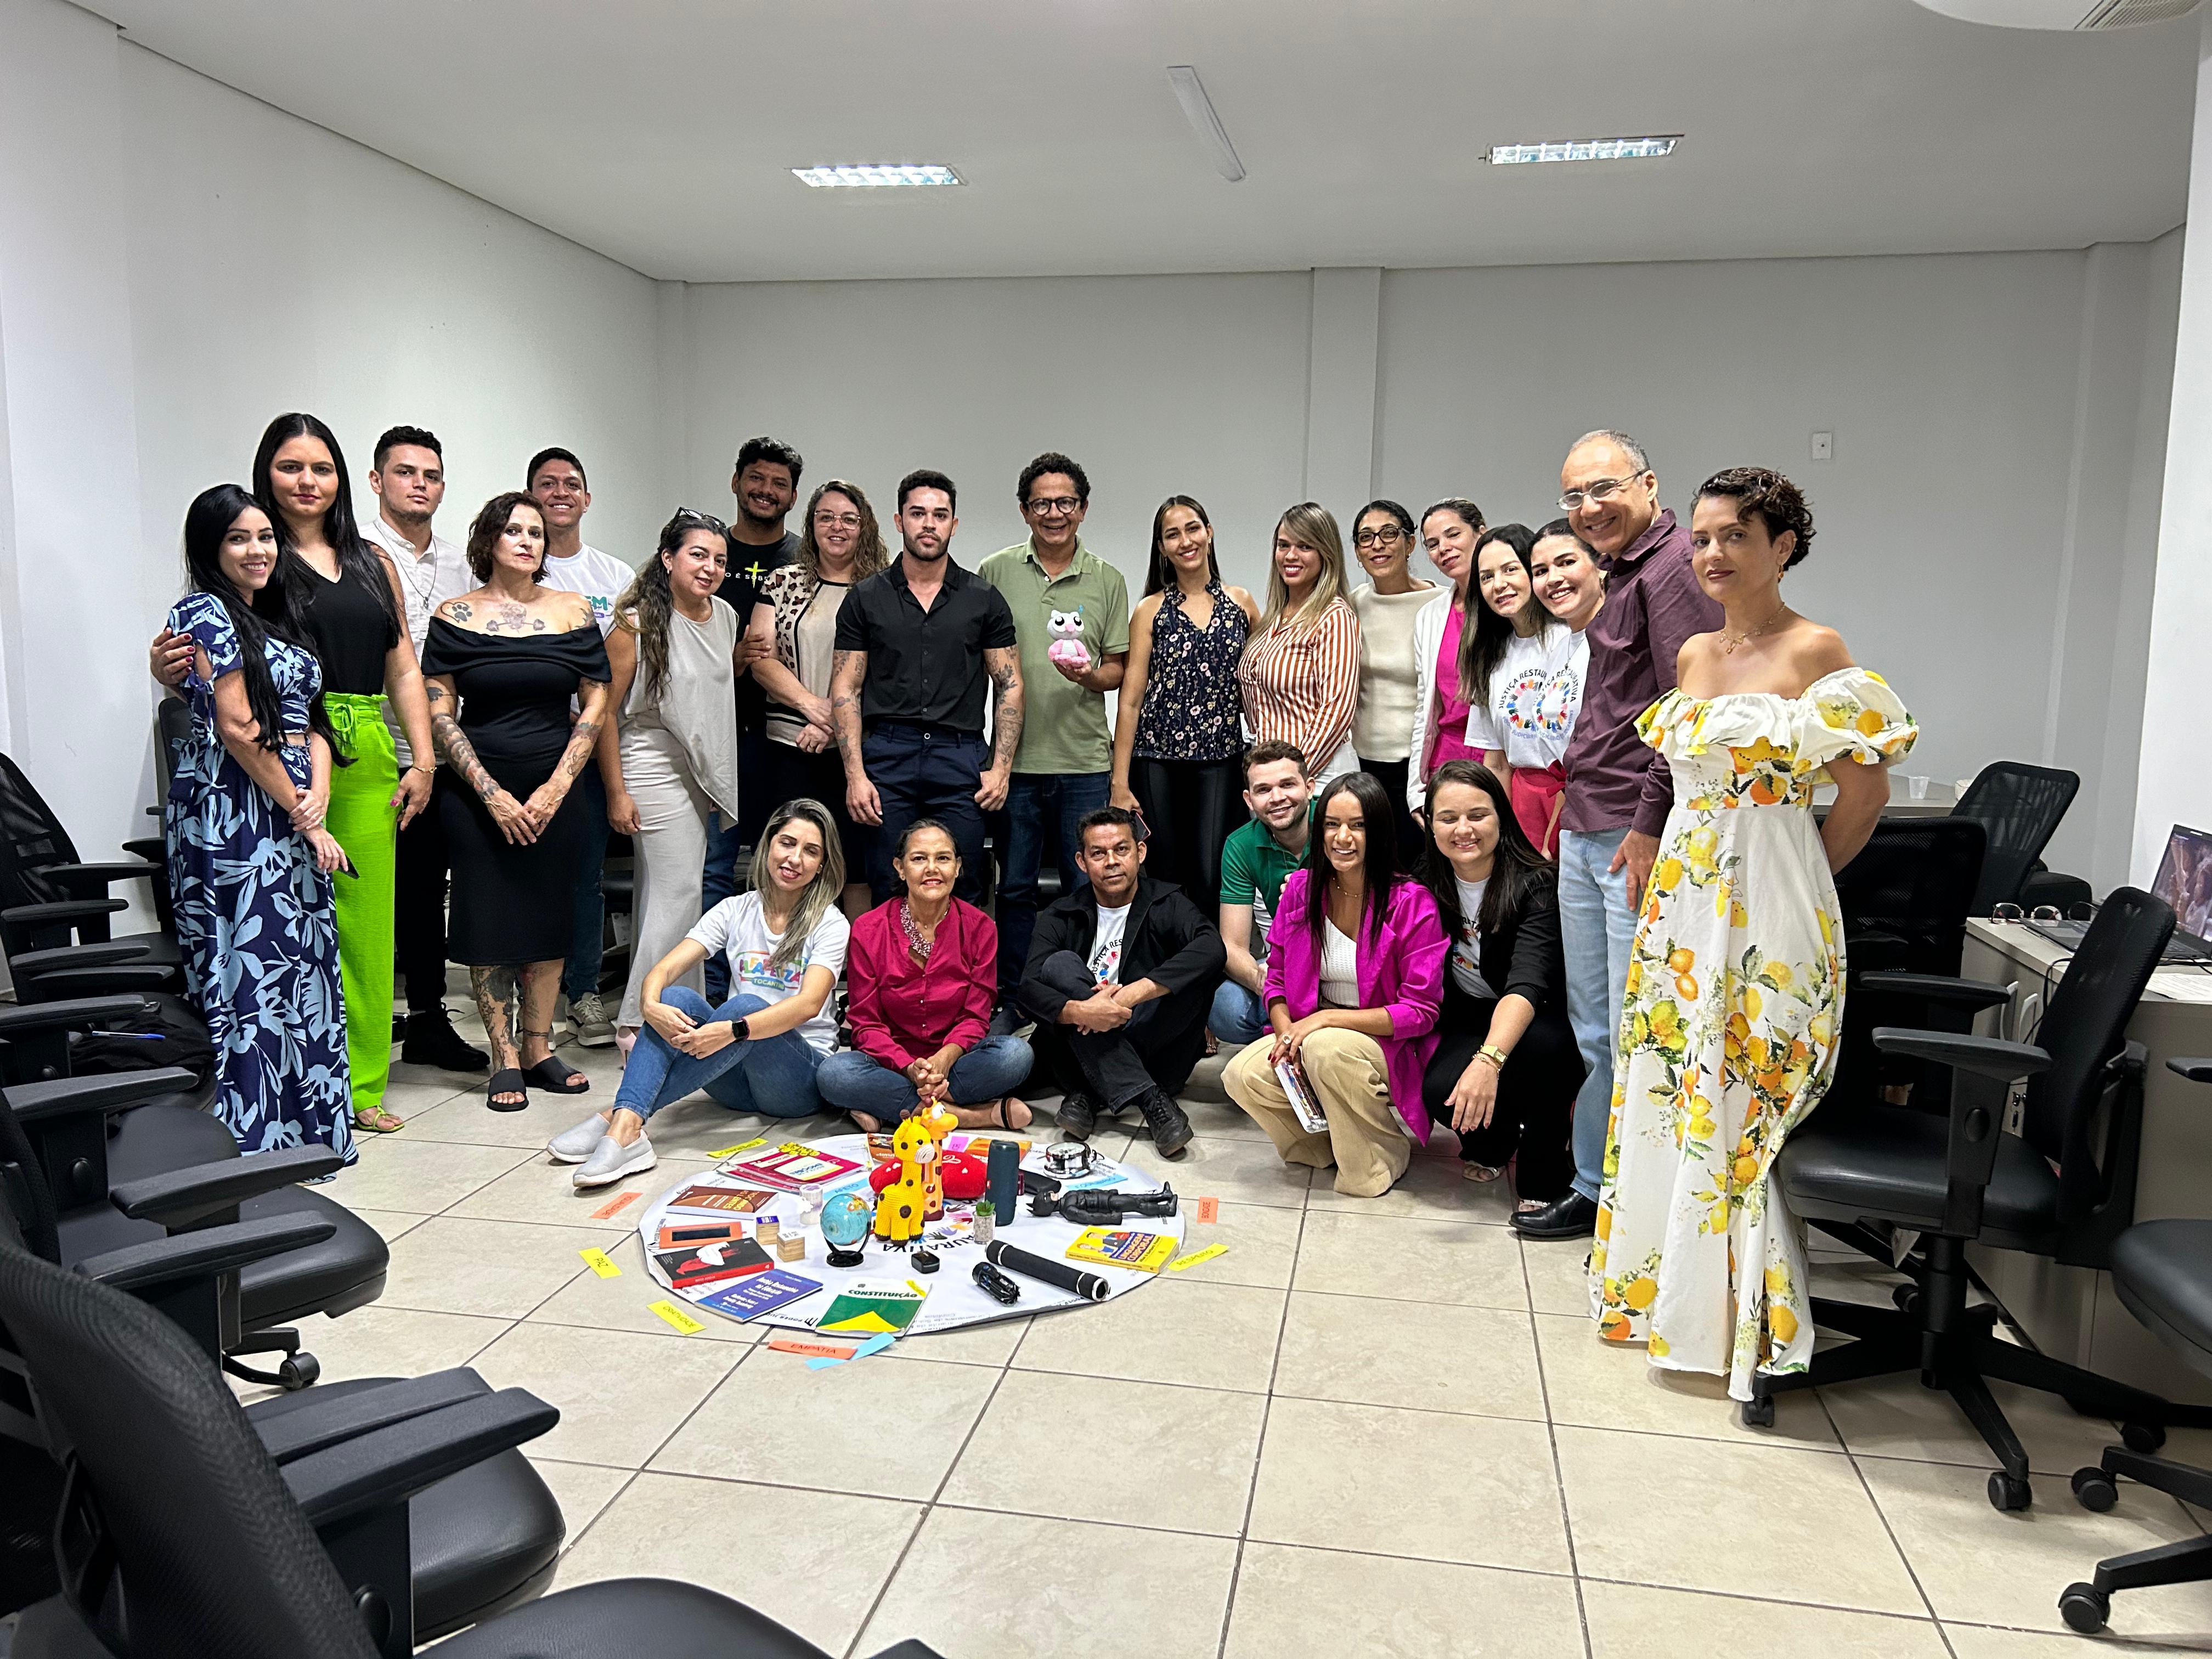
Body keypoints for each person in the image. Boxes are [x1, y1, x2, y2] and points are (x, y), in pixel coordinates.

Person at [1590, 467, 1915, 1402]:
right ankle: (1668, 1300)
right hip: (1683, 908)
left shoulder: (1818, 649)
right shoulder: (1691, 654)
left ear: (1783, 546)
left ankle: (1738, 1315)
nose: (1711, 553)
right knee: (1666, 1082)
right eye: (1700, 537)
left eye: (1735, 535)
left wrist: (1794, 884)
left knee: (1743, 1097)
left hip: (1771, 907)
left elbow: (1863, 797)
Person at [153, 414, 438, 1137]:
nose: (307, 482)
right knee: (294, 930)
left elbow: (402, 662)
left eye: (321, 467)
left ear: (341, 478)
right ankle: (311, 1090)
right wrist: (164, 669)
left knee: (367, 930)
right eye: (290, 467)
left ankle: (364, 1083)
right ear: (264, 475)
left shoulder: (371, 560)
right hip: (275, 754)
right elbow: (215, 680)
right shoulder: (252, 560)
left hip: (362, 743)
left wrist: (424, 755)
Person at [1517, 430, 1723, 1242]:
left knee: (1634, 1030)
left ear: (1648, 485)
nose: (1588, 508)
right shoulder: (1626, 570)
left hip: (1632, 836)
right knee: (1597, 1028)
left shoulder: (1672, 573)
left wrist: (1647, 826)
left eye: (1603, 489)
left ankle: (1626, 1204)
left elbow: (1687, 712)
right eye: (1573, 497)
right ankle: (1598, 1187)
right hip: (1590, 820)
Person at [162, 485, 356, 1164]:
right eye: (239, 539)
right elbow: (241, 728)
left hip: (294, 815)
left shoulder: (280, 615)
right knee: (251, 976)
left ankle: (308, 1135)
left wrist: (318, 795)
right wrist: (305, 817)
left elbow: (313, 721)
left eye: (266, 537)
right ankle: (252, 1147)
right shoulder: (202, 614)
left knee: (300, 971)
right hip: (236, 820)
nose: (257, 550)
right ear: (211, 551)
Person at [420, 492, 612, 1111]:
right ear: (489, 543)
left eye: (535, 532)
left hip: (559, 786)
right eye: (513, 531)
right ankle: (503, 1054)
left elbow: (597, 701)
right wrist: (492, 793)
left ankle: (539, 1045)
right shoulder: (456, 615)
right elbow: (439, 708)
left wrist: (558, 787)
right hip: (479, 791)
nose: (528, 541)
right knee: (492, 918)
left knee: (551, 914)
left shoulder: (574, 611)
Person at [550, 800, 851, 1188]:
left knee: (741, 1007)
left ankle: (619, 1120)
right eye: (787, 843)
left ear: (823, 866)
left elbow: (809, 1005)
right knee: (673, 997)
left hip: (795, 1081)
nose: (794, 858)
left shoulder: (830, 921)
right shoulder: (735, 909)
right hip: (732, 1080)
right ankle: (628, 1126)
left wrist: (734, 1030)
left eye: (811, 852)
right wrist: (649, 1003)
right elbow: (663, 970)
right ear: (768, 846)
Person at [1222, 771, 1447, 1197]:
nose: (1342, 837)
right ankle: (1323, 1146)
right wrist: (1285, 1027)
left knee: (1327, 1050)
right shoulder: (1304, 889)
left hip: (1388, 1041)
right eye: (1331, 824)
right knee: (1244, 1074)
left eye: (1358, 825)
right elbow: (1278, 977)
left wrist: (1324, 1020)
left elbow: (1420, 1012)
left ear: (1379, 831)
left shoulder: (1412, 901)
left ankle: (1381, 1153)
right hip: (1314, 1032)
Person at [979, 453, 1131, 1032]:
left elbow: (1119, 668)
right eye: (1041, 503)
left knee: (1085, 887)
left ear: (1083, 509)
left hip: (1085, 762)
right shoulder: (994, 572)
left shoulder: (1107, 579)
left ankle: (1082, 1002)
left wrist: (1090, 676)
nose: (1054, 513)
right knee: (1014, 888)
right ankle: (1018, 997)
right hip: (1014, 765)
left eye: (1065, 502)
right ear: (1024, 510)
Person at [830, 469, 1023, 905]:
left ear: (954, 524)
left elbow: (1010, 685)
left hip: (960, 758)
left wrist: (1001, 768)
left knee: (966, 881)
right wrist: (855, 775)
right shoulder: (866, 597)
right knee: (889, 881)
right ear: (900, 521)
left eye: (940, 515)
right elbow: (845, 687)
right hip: (886, 758)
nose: (929, 524)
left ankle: (957, 976)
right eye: (918, 513)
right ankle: (895, 975)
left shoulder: (983, 598)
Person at [362, 425, 487, 1072]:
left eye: (431, 476)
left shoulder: (462, 566)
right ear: (378, 481)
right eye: (406, 473)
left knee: (422, 886)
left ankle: (430, 1019)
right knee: (362, 892)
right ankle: (361, 1019)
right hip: (362, 750)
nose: (420, 485)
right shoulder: (352, 556)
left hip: (438, 751)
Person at [596, 510, 745, 1047]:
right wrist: (616, 792)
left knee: (663, 895)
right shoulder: (635, 621)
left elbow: (708, 696)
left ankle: (679, 1011)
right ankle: (638, 1021)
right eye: (698, 555)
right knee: (681, 891)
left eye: (720, 559)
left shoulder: (725, 615)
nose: (710, 568)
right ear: (668, 558)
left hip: (699, 770)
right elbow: (606, 714)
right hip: (650, 764)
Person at [1417, 763, 1584, 1209]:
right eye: (1448, 818)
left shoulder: (1536, 883)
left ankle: (1545, 1170)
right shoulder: (1424, 884)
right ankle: (1497, 1140)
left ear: (1501, 817)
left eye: (1478, 815)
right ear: (1429, 824)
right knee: (1443, 1093)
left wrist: (1488, 1062)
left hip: (1538, 1018)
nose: (1463, 829)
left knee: (1543, 1053)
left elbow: (1527, 984)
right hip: (1470, 1015)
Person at [1019, 807, 1226, 1155]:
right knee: (1059, 965)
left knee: (1192, 977)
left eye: (1122, 850)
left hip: (1157, 1050)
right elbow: (1028, 987)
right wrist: (1081, 1012)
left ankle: (1091, 1091)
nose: (1111, 861)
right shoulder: (1062, 913)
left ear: (1140, 852)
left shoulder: (1168, 902)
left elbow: (1211, 948)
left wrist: (1131, 995)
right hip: (1082, 1052)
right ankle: (1149, 1099)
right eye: (1098, 853)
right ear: (1082, 862)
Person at [816, 820, 1034, 1132]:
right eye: (919, 858)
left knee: (1016, 1055)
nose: (932, 868)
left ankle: (893, 1110)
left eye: (943, 858)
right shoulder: (868, 928)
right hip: (890, 1064)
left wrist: (944, 1060)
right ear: (900, 868)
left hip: (956, 1062)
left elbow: (976, 1016)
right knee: (834, 1073)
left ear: (958, 868)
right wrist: (908, 1067)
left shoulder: (980, 927)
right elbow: (865, 1022)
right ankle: (967, 1116)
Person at [527, 447, 635, 1049]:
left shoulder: (613, 577)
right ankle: (527, 990)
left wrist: (594, 722)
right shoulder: (510, 571)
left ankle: (585, 991)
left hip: (591, 746)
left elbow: (623, 675)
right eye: (548, 484)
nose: (561, 492)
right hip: (524, 745)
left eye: (572, 484)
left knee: (584, 875)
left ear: (587, 500)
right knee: (524, 871)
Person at [1110, 495, 1258, 902]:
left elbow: (1259, 685)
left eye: (1193, 528)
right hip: (1157, 760)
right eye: (1172, 534)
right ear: (1162, 548)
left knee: (1213, 873)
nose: (1185, 541)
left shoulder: (1242, 604)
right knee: (1164, 874)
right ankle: (1166, 963)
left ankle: (1211, 962)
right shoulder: (1150, 610)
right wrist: (1119, 782)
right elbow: (1131, 701)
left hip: (1221, 759)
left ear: (1209, 533)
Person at [749, 478, 885, 918]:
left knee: (856, 865)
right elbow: (760, 659)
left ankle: (856, 976)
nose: (837, 527)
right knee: (791, 859)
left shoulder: (884, 588)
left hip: (859, 750)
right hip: (790, 746)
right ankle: (788, 967)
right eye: (825, 517)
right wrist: (813, 706)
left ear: (864, 527)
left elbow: (890, 671)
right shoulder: (784, 581)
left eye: (848, 518)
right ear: (811, 525)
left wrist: (831, 724)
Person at [704, 436, 805, 992]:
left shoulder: (803, 558)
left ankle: (779, 982)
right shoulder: (707, 551)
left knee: (788, 863)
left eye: (779, 484)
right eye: (757, 479)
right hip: (718, 737)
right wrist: (732, 661)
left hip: (789, 739)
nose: (766, 491)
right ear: (737, 482)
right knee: (717, 869)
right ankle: (717, 987)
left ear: (793, 495)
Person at [1460, 523, 1589, 857]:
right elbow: (1497, 762)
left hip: (1577, 795)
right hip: (1522, 802)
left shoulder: (1573, 637)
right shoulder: (1490, 656)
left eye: (1510, 569)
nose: (1498, 584)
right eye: (1486, 577)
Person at [1500, 521, 1605, 854]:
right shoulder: (1562, 646)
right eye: (1541, 570)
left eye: (1566, 562)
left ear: (1600, 565)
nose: (1553, 579)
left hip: (1609, 816)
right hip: (1570, 818)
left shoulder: (1614, 641)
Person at [1238, 503, 1359, 787]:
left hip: (1317, 776)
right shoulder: (1273, 619)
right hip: (1270, 776)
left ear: (1325, 553)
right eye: (1283, 545)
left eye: (1305, 546)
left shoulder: (1334, 616)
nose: (1291, 555)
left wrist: (1291, 776)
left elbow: (1337, 711)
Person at [1347, 499, 1437, 862]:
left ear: (1410, 543)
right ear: (1356, 551)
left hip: (1417, 764)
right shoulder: (1352, 604)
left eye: (1389, 534)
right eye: (1366, 538)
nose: (1378, 545)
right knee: (1371, 866)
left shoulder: (1439, 604)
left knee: (1417, 867)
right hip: (1363, 763)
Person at [1211, 741, 1316, 1049]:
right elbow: (1232, 945)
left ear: (1309, 787)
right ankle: (1292, 1037)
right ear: (1249, 799)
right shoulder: (1240, 844)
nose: (1277, 798)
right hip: (1289, 964)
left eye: (1287, 785)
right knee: (1224, 1008)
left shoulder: (1336, 822)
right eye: (1263, 790)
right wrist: (1265, 981)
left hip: (1347, 961)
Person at [1406, 498, 1487, 819]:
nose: (1444, 549)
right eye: (1433, 544)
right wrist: (1416, 789)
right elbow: (1425, 705)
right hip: (1447, 759)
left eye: (1454, 535)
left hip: (1501, 762)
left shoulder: (1509, 606)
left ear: (1481, 533)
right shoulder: (1431, 615)